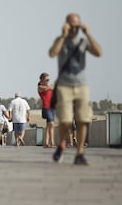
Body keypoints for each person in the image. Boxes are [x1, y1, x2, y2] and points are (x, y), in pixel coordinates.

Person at [48, 13, 102, 165]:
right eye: (71, 26)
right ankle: (61, 144)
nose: (74, 29)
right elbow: (52, 53)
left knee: (83, 120)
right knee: (65, 121)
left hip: (81, 85)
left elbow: (98, 52)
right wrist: (63, 35)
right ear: (66, 25)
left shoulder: (83, 41)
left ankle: (79, 154)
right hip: (64, 85)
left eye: (76, 26)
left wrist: (88, 34)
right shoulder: (61, 41)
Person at [38, 72, 56, 148]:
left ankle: (47, 143)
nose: (48, 81)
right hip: (46, 107)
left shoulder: (47, 86)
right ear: (42, 80)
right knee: (52, 124)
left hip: (52, 107)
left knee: (49, 126)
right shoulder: (40, 87)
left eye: (49, 80)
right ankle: (52, 142)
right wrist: (51, 86)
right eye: (47, 80)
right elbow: (48, 88)